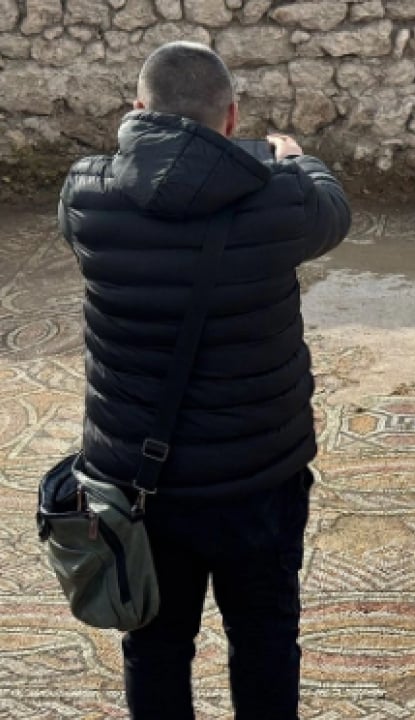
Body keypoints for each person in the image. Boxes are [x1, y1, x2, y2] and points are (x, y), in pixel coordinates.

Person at [57, 41, 350, 719]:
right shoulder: (282, 198)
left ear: (138, 109)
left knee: (156, 648)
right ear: (231, 117)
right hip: (258, 478)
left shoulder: (87, 196)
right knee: (266, 641)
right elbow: (333, 213)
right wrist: (295, 158)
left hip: (137, 487)